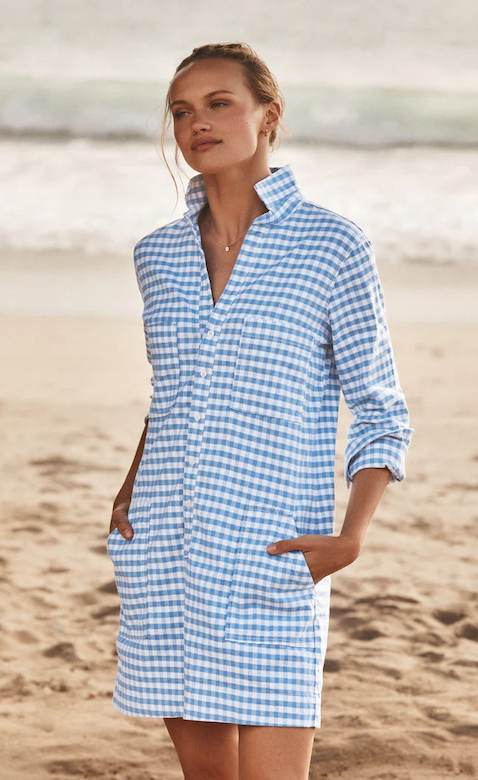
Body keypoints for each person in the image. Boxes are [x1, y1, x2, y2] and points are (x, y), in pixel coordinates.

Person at [107, 42, 414, 780]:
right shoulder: (158, 254)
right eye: (182, 110)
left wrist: (352, 535)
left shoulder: (332, 245)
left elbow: (379, 405)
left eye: (219, 104)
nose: (196, 124)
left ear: (268, 116)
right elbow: (176, 390)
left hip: (273, 548)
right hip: (167, 543)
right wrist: (128, 487)